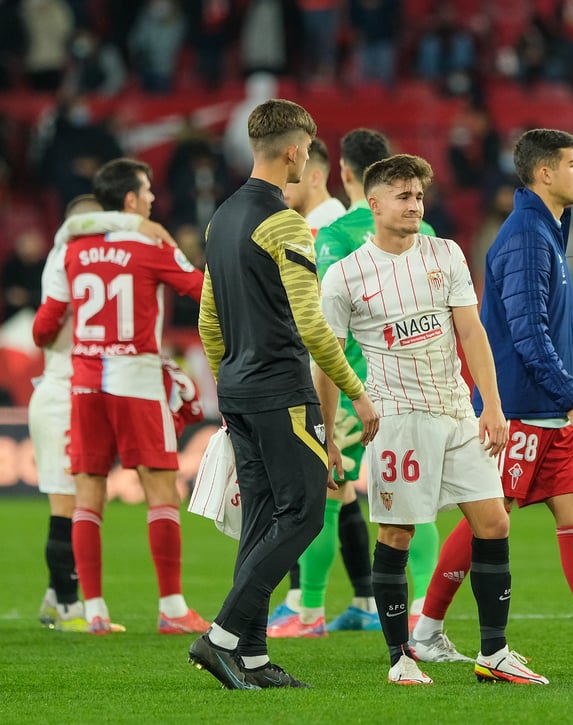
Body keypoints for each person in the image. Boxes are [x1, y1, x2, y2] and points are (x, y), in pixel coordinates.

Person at [409, 129, 573, 665]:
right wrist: (572, 398)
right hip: (523, 410)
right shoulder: (526, 235)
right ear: (543, 173)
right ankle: (427, 630)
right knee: (488, 515)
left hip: (546, 410)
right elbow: (527, 332)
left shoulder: (546, 229)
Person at [318, 153, 543, 686]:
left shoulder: (446, 254)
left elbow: (472, 332)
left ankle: (494, 652)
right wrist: (329, 435)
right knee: (397, 532)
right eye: (402, 195)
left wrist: (492, 402)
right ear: (374, 204)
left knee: (494, 521)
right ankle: (400, 658)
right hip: (397, 419)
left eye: (418, 195)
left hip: (456, 411)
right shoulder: (346, 276)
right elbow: (325, 361)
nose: (415, 204)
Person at [189, 98, 378, 690]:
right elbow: (313, 325)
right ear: (297, 150)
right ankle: (220, 638)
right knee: (301, 518)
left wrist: (228, 382)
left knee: (263, 520)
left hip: (240, 391)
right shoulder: (285, 222)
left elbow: (208, 323)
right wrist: (356, 394)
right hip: (281, 392)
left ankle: (249, 656)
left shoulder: (220, 219)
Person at [269, 128, 441, 639]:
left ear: (346, 173)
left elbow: (325, 324)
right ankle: (422, 612)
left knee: (329, 489)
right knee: (414, 499)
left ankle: (308, 611)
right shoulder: (427, 231)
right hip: (413, 381)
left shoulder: (337, 236)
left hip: (351, 385)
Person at [32, 158, 209, 636]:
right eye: (147, 191)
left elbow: (44, 327)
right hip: (135, 379)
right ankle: (172, 608)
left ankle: (94, 612)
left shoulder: (73, 251)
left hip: (85, 382)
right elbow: (200, 290)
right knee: (161, 492)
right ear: (130, 200)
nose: (153, 198)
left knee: (88, 496)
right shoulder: (149, 244)